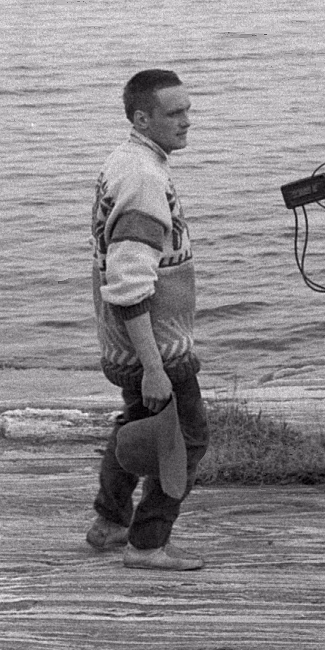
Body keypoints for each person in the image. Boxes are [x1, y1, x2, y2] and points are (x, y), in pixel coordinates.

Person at [85, 69, 210, 570]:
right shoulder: (143, 178)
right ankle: (147, 543)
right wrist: (155, 367)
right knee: (187, 439)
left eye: (188, 109)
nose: (187, 120)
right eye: (174, 113)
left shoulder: (128, 159)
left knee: (137, 424)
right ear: (142, 118)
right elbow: (129, 284)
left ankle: (109, 522)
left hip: (128, 344)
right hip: (155, 345)